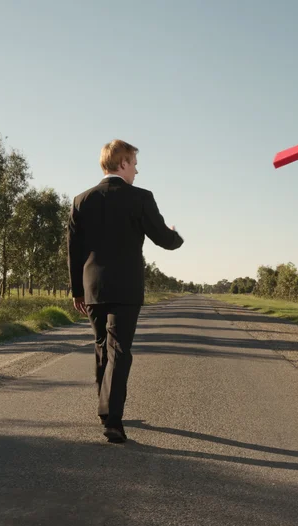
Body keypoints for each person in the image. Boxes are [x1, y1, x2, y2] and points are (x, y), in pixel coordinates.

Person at [67, 140, 184, 443]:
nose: (136, 170)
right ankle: (113, 421)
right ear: (121, 163)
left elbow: (74, 250)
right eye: (133, 163)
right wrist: (175, 235)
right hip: (126, 288)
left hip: (92, 287)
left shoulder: (81, 200)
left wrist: (77, 291)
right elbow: (163, 239)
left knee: (101, 345)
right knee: (119, 350)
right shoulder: (140, 198)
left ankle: (106, 410)